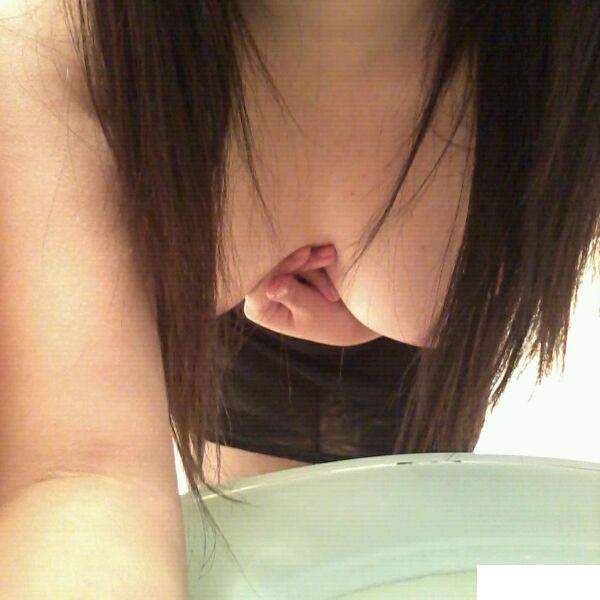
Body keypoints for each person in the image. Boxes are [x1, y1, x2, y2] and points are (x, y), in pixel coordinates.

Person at [0, 0, 598, 597]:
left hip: (418, 445)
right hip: (239, 428)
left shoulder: (564, 68)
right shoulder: (59, 56)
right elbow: (79, 489)